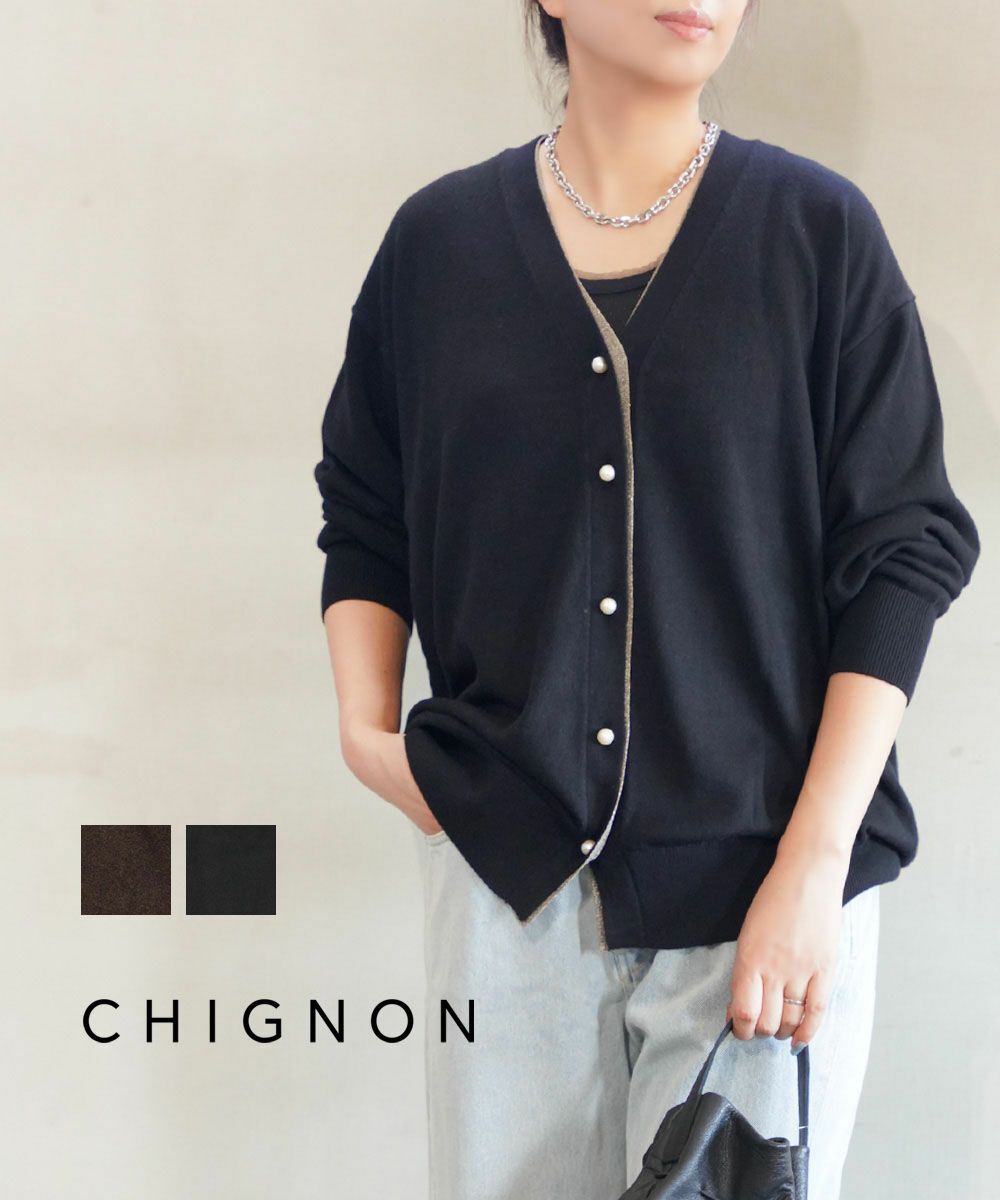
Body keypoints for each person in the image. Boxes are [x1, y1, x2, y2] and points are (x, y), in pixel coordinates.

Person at [313, 2, 981, 1197]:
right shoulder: (438, 249)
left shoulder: (817, 234)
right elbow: (367, 510)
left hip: (762, 896)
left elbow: (902, 549)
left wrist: (813, 866)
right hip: (507, 886)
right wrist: (367, 735)